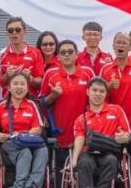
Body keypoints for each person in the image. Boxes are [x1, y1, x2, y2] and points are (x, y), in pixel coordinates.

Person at [42, 40, 95, 180]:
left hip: (84, 130)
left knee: (82, 172)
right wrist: (53, 95)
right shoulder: (50, 74)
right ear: (58, 56)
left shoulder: (88, 73)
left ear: (76, 55)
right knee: (62, 174)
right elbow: (42, 103)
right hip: (60, 130)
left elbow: (98, 97)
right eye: (63, 52)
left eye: (70, 52)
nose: (67, 55)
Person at [67, 78, 131, 188]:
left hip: (109, 153)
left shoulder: (116, 110)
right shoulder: (81, 118)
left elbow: (128, 135)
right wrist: (73, 161)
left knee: (111, 161)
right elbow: (79, 139)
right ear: (88, 92)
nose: (98, 94)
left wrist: (124, 137)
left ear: (106, 94)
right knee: (83, 163)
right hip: (88, 154)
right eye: (94, 90)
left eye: (102, 91)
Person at [0, 72, 48, 188]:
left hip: (29, 140)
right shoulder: (1, 107)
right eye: (15, 84)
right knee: (25, 152)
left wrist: (22, 135)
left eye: (22, 84)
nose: (19, 87)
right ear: (9, 88)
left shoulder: (32, 105)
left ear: (27, 88)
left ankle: (32, 184)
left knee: (43, 151)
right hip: (10, 142)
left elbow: (37, 129)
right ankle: (19, 185)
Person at [0, 17, 45, 88]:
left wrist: (30, 78)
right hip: (9, 98)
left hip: (30, 98)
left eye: (18, 30)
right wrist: (7, 75)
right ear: (7, 33)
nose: (14, 32)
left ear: (25, 32)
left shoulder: (35, 52)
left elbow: (41, 83)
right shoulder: (0, 54)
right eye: (10, 30)